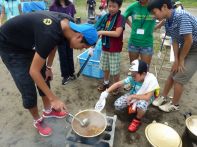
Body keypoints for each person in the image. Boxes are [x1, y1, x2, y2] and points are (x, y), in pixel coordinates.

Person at [0, 11, 98, 136]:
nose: (81, 49)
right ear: (79, 36)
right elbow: (33, 71)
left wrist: (48, 67)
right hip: (10, 46)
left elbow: (53, 45)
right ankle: (37, 120)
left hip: (28, 44)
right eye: (83, 46)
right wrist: (54, 99)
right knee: (27, 85)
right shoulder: (49, 33)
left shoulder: (68, 24)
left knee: (44, 76)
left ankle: (48, 111)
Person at [147, 0, 197, 112]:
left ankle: (175, 104)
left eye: (154, 13)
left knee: (180, 76)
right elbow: (174, 41)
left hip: (194, 47)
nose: (154, 16)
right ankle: (163, 96)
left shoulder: (181, 16)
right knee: (173, 71)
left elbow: (189, 40)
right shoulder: (168, 20)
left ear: (164, 7)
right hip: (186, 45)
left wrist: (181, 59)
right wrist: (176, 60)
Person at [98, 59, 159, 132]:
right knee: (118, 105)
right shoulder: (132, 77)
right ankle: (132, 108)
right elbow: (118, 84)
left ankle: (137, 119)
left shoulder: (151, 81)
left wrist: (132, 96)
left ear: (143, 74)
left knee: (141, 105)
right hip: (133, 94)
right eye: (132, 74)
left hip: (144, 98)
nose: (132, 76)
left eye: (135, 75)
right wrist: (106, 92)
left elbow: (147, 97)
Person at [95, 0, 125, 95]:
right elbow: (98, 27)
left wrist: (101, 32)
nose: (111, 8)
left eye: (114, 6)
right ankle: (106, 83)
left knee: (115, 70)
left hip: (114, 49)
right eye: (109, 6)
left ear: (119, 6)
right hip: (105, 47)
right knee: (106, 67)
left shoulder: (121, 18)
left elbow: (117, 33)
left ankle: (117, 87)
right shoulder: (106, 17)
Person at [49, 0, 76, 85]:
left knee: (70, 54)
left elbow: (73, 19)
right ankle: (65, 75)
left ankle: (71, 73)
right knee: (63, 55)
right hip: (59, 35)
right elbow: (52, 21)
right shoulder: (53, 6)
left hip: (70, 34)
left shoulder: (71, 5)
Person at [123, 0, 156, 66]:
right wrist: (131, 25)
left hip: (147, 43)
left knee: (145, 69)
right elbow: (123, 17)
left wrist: (157, 26)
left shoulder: (154, 6)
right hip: (133, 42)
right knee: (133, 68)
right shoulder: (133, 6)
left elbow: (164, 17)